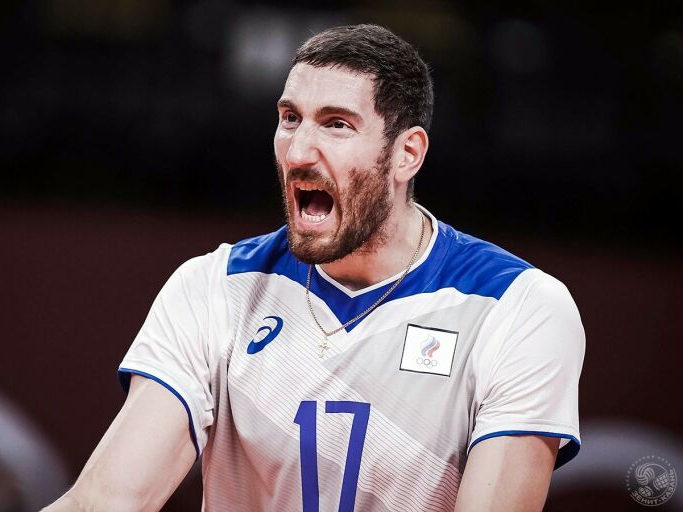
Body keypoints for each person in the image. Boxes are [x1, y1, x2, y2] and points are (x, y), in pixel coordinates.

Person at [44, 24, 585, 512]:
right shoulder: (215, 288)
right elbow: (105, 500)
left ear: (407, 155)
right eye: (290, 119)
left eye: (336, 124)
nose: (299, 151)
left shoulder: (516, 308)